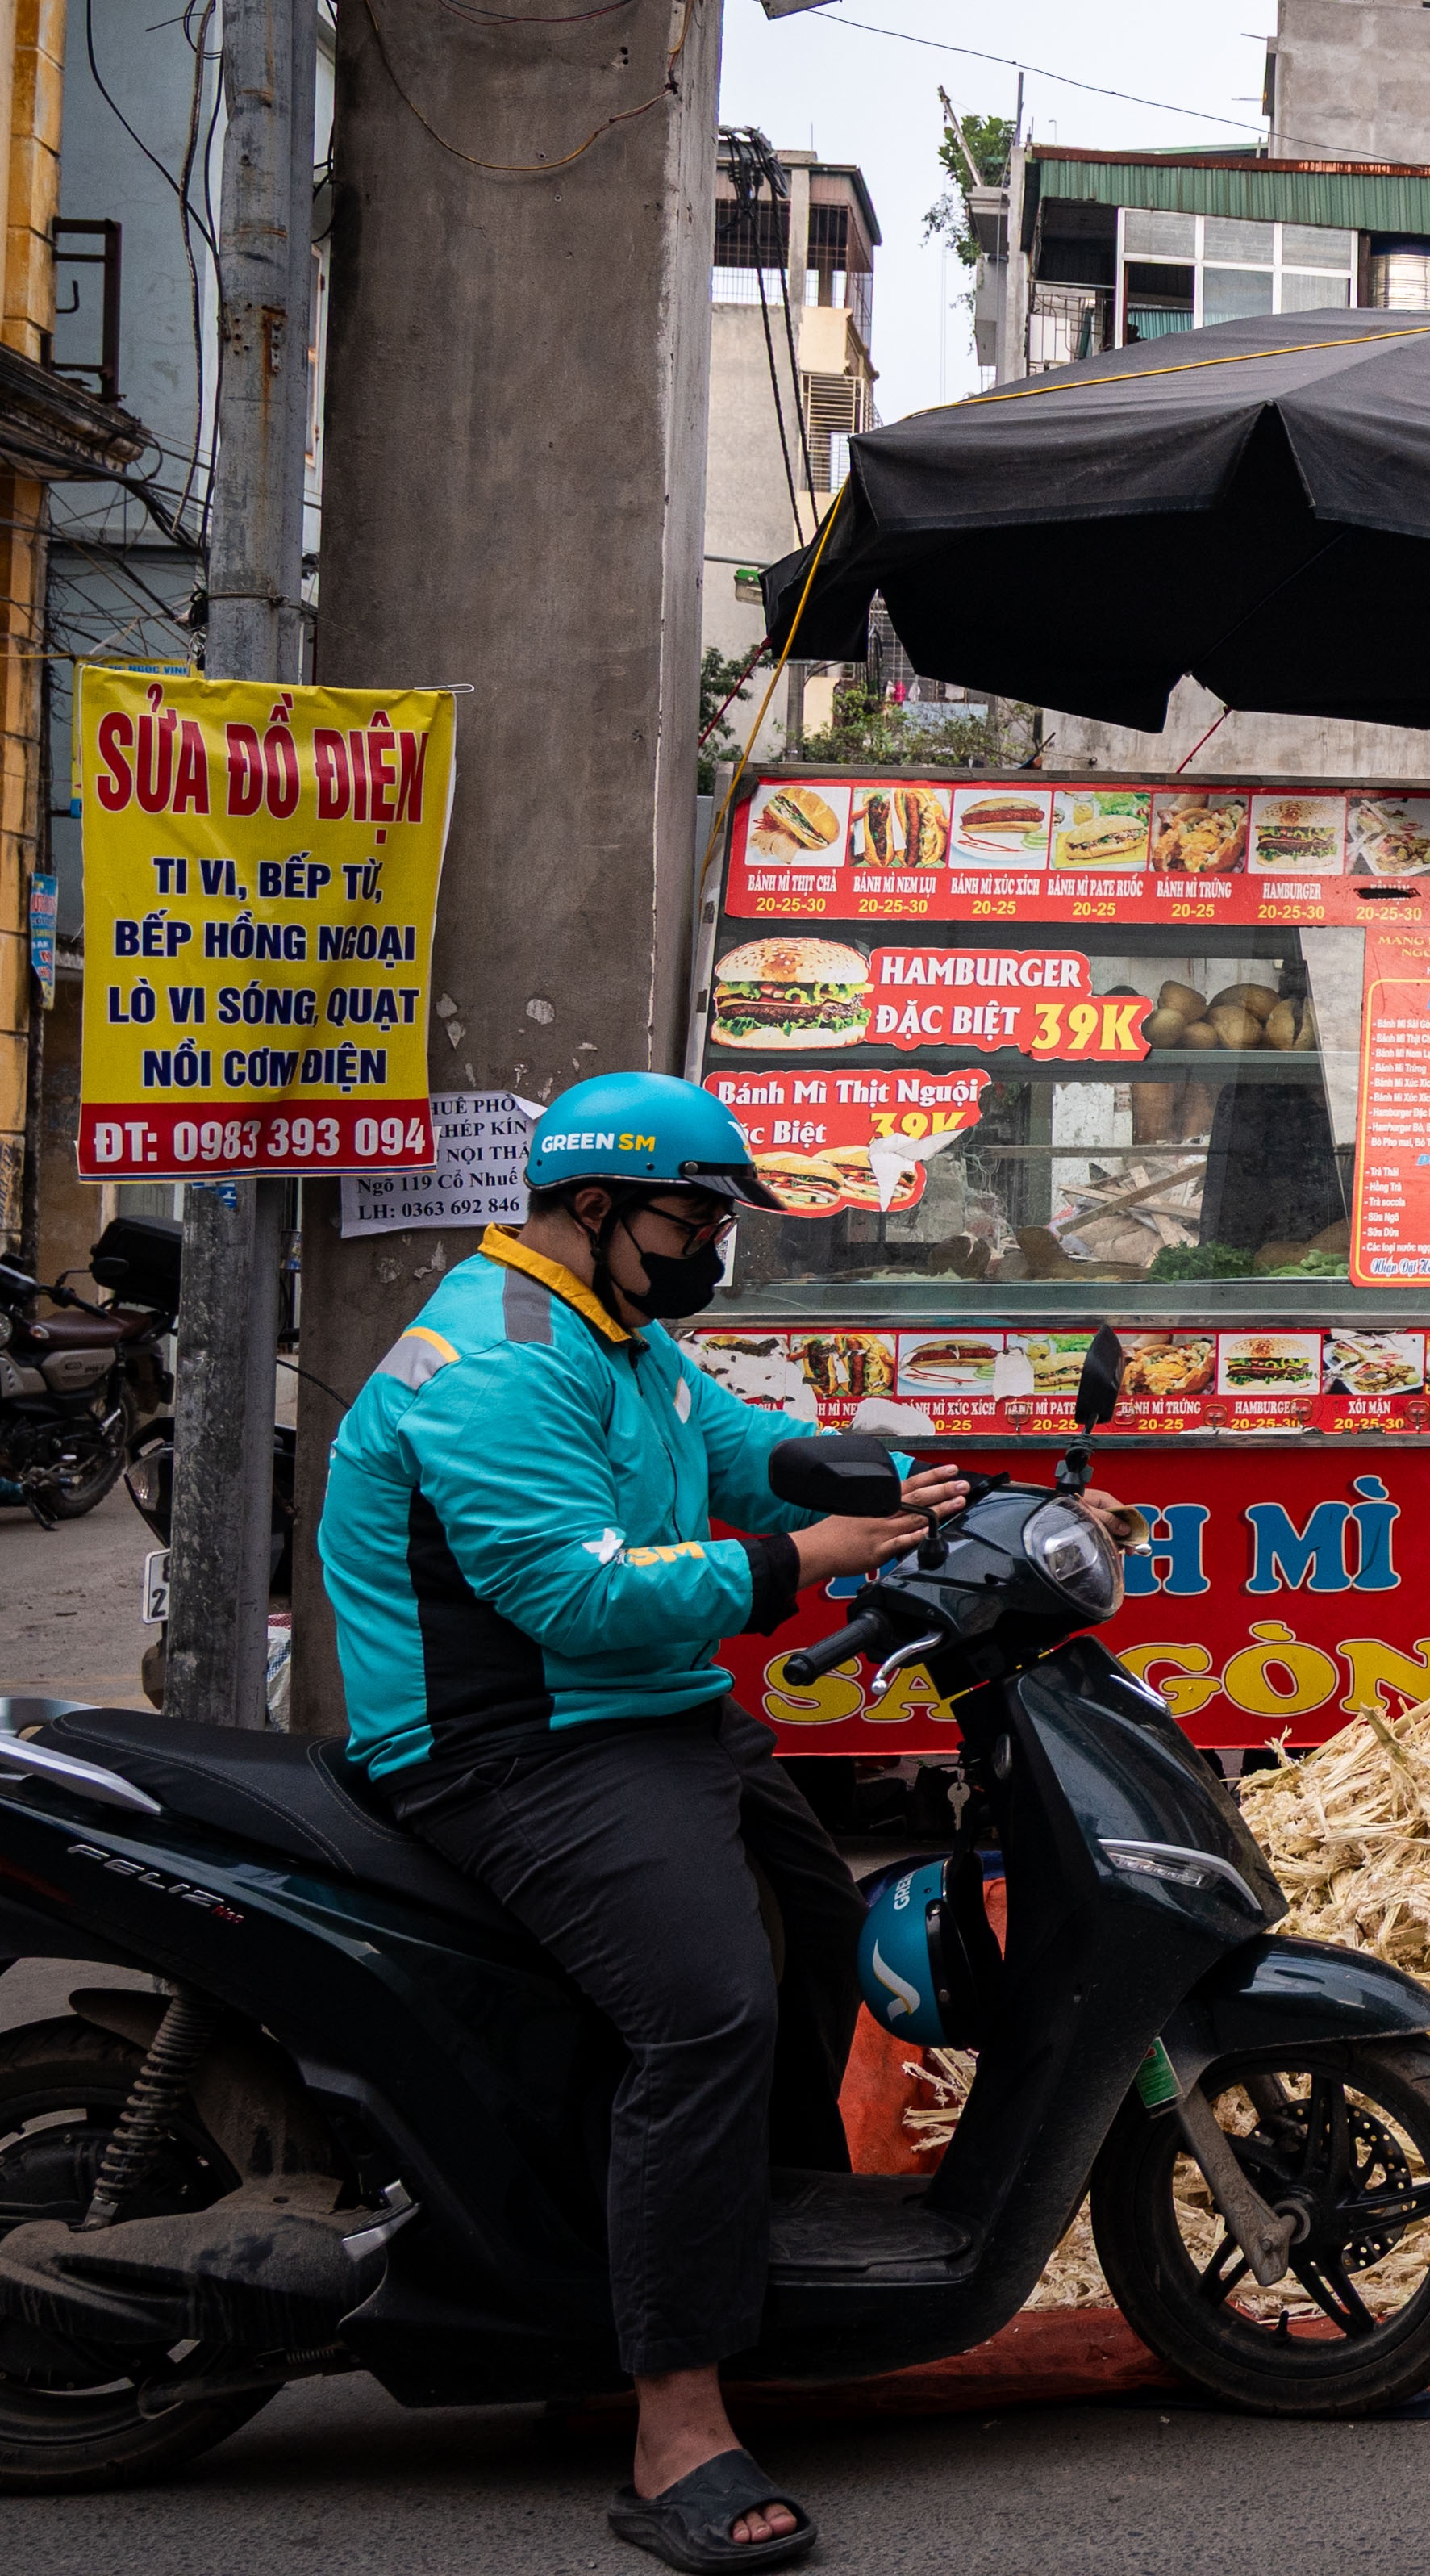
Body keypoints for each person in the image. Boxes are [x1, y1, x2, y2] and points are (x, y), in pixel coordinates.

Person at [317, 1074, 950, 2574]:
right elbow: (579, 1594)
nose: (710, 1247)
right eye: (695, 1220)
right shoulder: (498, 1359)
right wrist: (801, 1559)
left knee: (819, 1921)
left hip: (637, 1710)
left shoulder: (619, 1332)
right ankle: (676, 2421)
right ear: (596, 1207)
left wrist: (934, 1496)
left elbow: (744, 1451)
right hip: (511, 1739)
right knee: (707, 2011)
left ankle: (764, 2257)